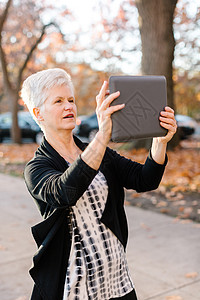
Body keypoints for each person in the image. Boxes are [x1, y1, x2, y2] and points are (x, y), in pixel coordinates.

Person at [21, 68, 177, 300]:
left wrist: (160, 141)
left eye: (71, 100)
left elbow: (145, 179)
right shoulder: (36, 168)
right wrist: (102, 135)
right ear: (38, 113)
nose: (69, 106)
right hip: (73, 285)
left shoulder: (101, 153)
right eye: (58, 101)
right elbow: (66, 192)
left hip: (116, 277)